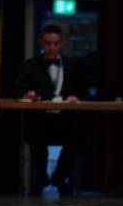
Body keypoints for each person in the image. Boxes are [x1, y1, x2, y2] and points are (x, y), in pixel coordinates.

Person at [15, 24, 84, 196]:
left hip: (65, 120)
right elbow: (18, 90)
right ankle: (41, 177)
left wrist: (76, 97)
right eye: (48, 43)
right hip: (41, 119)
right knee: (34, 135)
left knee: (79, 136)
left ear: (62, 43)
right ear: (41, 43)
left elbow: (83, 90)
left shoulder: (73, 65)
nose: (51, 48)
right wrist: (29, 95)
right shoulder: (30, 65)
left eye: (55, 43)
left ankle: (59, 177)